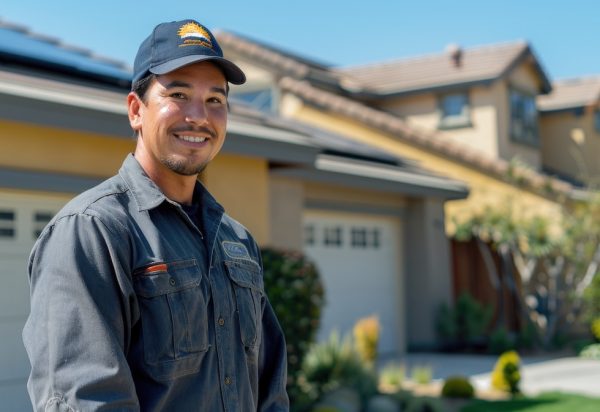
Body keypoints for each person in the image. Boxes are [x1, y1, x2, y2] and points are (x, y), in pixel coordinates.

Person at [23, 19, 289, 411]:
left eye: (215, 100)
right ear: (136, 110)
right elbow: (88, 400)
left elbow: (270, 390)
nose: (199, 115)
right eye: (178, 94)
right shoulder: (92, 232)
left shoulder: (236, 240)